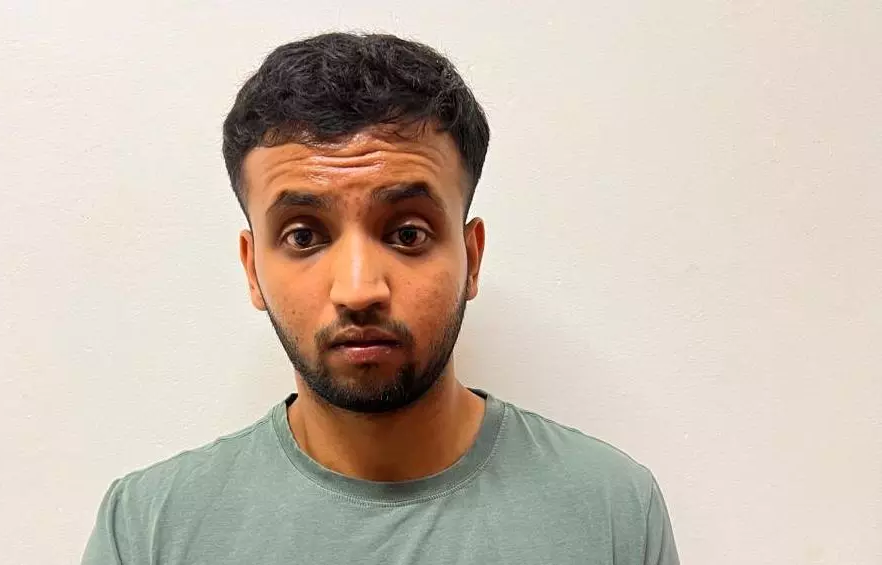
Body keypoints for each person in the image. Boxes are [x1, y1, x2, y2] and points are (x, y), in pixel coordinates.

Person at [82, 32, 679, 564]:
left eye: (407, 234)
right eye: (304, 236)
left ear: (471, 257)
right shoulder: (148, 528)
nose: (359, 290)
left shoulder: (613, 510)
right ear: (253, 269)